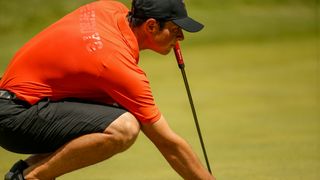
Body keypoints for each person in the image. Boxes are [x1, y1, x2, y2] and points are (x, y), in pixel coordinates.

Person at [0, 0, 215, 179]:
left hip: (18, 101)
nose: (181, 38)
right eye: (176, 30)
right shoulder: (115, 62)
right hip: (14, 117)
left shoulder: (109, 8)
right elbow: (168, 144)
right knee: (124, 127)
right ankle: (32, 178)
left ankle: (22, 173)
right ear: (151, 26)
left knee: (113, 103)